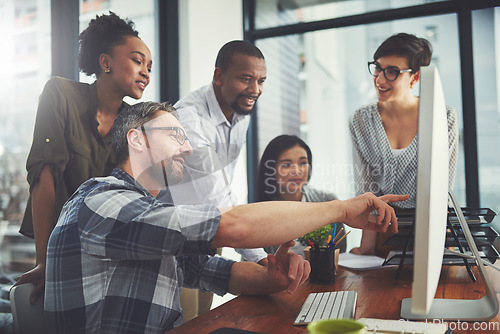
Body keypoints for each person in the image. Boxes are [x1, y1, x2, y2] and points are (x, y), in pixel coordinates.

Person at [44, 101, 407, 333]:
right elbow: (233, 226)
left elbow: (215, 271)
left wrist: (272, 277)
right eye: (175, 135)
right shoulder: (100, 200)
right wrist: (342, 209)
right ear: (137, 140)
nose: (187, 147)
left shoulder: (150, 212)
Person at [15, 12, 152, 302]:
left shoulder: (134, 123)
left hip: (105, 252)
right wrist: (44, 261)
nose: (146, 73)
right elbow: (44, 177)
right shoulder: (60, 94)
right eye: (138, 61)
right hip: (57, 243)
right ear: (106, 62)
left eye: (149, 67)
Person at [172, 40, 267, 319]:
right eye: (246, 79)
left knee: (204, 318)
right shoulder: (188, 118)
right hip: (176, 240)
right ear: (218, 76)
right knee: (186, 324)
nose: (255, 90)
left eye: (261, 80)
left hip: (209, 231)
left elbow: (224, 184)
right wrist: (261, 259)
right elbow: (215, 195)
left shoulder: (240, 112)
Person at [349, 33, 458, 256]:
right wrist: (366, 248)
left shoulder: (442, 117)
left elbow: (442, 188)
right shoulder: (360, 120)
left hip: (429, 229)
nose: (379, 79)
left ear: (415, 78)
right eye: (377, 68)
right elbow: (366, 190)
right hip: (381, 229)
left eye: (392, 72)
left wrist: (443, 243)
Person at [256, 135, 346, 255]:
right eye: (287, 165)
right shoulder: (259, 211)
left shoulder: (328, 202)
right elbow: (251, 261)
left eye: (303, 163)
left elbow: (340, 253)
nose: (297, 171)